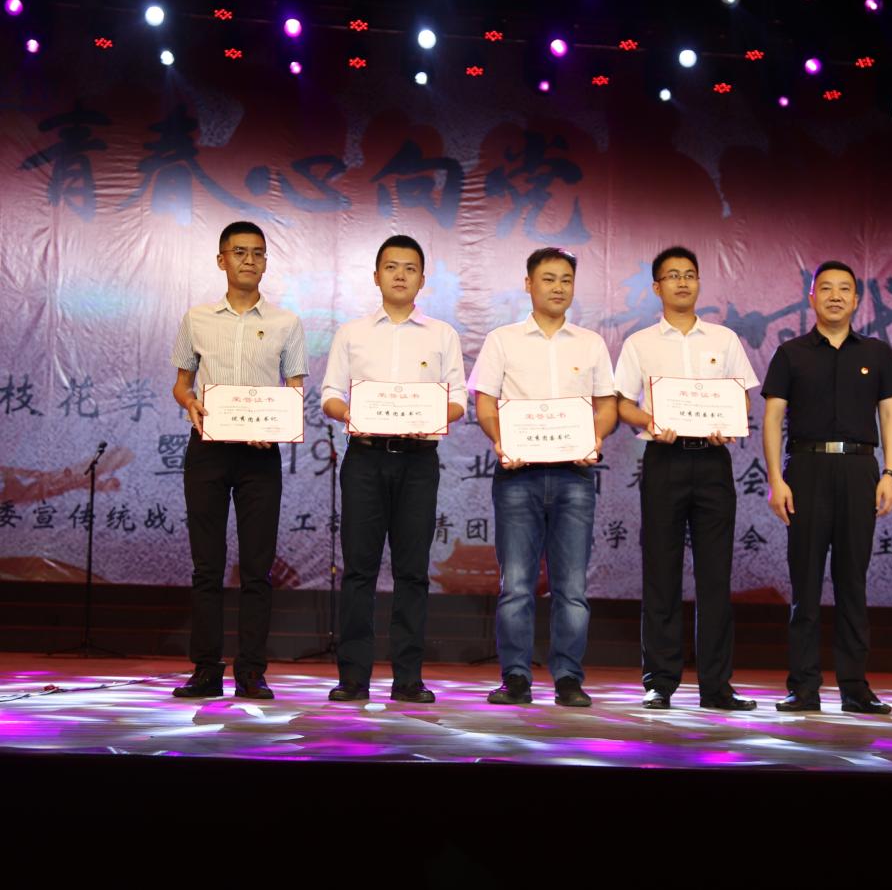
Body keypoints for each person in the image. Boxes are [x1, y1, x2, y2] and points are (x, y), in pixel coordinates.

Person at [321, 235, 466, 703]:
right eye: (391, 266)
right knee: (358, 571)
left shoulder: (442, 334)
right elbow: (329, 395)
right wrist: (353, 413)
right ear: (376, 275)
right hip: (364, 458)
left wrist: (430, 415)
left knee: (413, 572)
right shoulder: (352, 333)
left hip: (418, 460)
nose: (400, 275)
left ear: (422, 279)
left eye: (410, 268)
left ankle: (408, 679)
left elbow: (459, 399)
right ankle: (353, 678)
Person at [469, 247, 617, 707]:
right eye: (548, 278)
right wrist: (502, 440)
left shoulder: (590, 343)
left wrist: (594, 439)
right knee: (516, 584)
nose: (558, 287)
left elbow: (607, 405)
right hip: (519, 475)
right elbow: (485, 402)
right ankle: (515, 677)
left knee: (571, 587)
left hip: (575, 476)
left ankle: (568, 678)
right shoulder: (503, 340)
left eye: (566, 280)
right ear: (528, 284)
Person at [615, 246, 759, 711]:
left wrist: (730, 420)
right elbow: (622, 403)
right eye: (673, 275)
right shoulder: (640, 343)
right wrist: (651, 421)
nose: (682, 282)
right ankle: (660, 681)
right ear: (656, 287)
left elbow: (743, 398)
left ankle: (717, 686)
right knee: (661, 573)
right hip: (664, 460)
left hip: (713, 462)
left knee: (716, 576)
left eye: (690, 274)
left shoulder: (724, 339)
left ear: (699, 283)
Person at [171, 221, 308, 700]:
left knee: (257, 568)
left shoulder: (287, 323)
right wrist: (190, 403)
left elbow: (295, 391)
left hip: (260, 456)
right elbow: (181, 385)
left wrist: (276, 427)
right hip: (207, 449)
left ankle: (251, 671)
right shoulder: (197, 318)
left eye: (258, 253)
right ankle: (206, 670)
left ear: (266, 262)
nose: (249, 260)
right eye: (240, 252)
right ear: (221, 259)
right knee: (206, 566)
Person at [762, 260, 892, 714]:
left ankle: (855, 688)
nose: (836, 296)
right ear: (812, 297)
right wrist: (776, 480)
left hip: (860, 470)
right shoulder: (791, 353)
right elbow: (772, 419)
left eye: (845, 289)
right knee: (804, 583)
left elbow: (890, 415)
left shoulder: (877, 353)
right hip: (805, 470)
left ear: (857, 300)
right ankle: (803, 687)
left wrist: (890, 473)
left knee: (852, 583)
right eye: (826, 288)